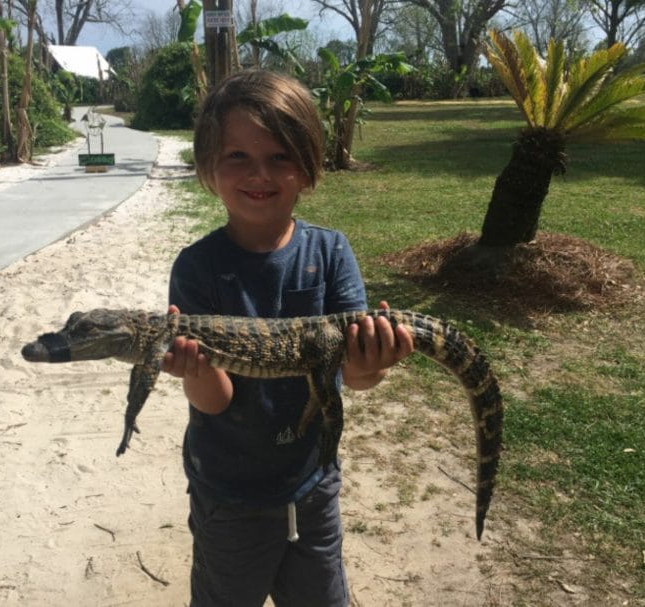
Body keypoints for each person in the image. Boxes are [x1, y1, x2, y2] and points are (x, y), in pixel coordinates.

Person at [161, 69, 414, 607]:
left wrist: (374, 362)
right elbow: (216, 400)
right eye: (238, 157)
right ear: (209, 166)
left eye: (280, 156)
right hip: (228, 496)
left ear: (307, 166)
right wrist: (197, 373)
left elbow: (352, 377)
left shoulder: (330, 253)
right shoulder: (197, 268)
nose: (260, 174)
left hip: (312, 485)